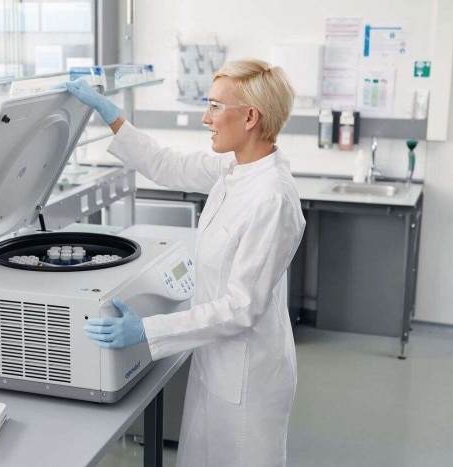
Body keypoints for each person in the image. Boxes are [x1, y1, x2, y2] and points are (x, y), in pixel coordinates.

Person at [66, 59, 306, 467]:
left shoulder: (271, 197)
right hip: (217, 356)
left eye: (215, 106)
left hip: (247, 372)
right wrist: (112, 116)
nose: (205, 117)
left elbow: (241, 307)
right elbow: (167, 165)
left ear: (250, 117)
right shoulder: (234, 168)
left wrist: (147, 329)